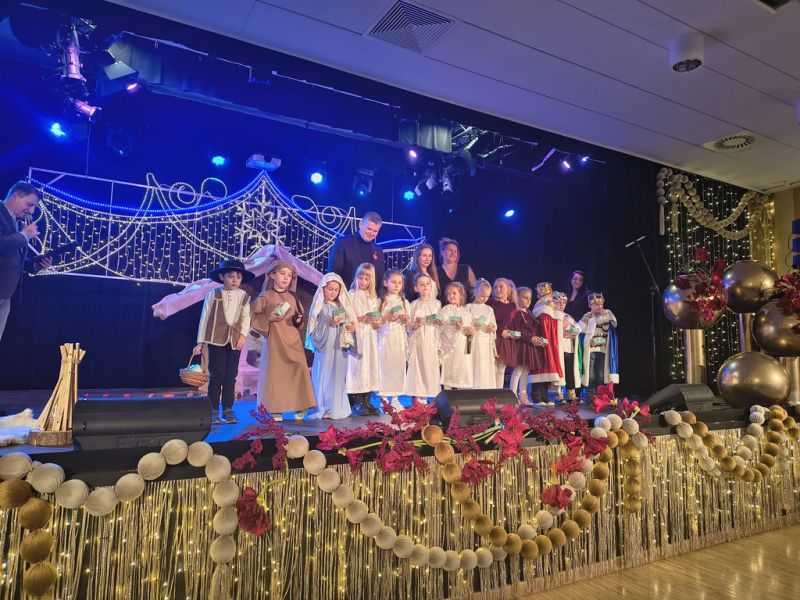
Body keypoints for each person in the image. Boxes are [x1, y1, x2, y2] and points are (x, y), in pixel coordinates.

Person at [250, 260, 316, 421]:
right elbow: (253, 318)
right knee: (276, 373)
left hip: (293, 340)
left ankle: (300, 404)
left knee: (299, 370)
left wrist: (298, 320)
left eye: (289, 275)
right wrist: (269, 318)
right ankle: (275, 408)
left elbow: (298, 320)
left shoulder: (293, 297)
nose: (286, 278)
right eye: (282, 274)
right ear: (272, 275)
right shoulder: (265, 297)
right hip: (275, 341)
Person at [193, 259, 253, 424]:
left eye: (238, 277)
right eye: (231, 276)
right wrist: (200, 342)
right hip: (216, 339)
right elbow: (205, 318)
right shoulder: (213, 294)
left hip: (234, 341)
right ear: (222, 277)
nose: (235, 280)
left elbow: (246, 318)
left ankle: (228, 408)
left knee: (231, 376)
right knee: (217, 375)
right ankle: (213, 409)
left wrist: (243, 336)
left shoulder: (244, 296)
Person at [1, 182, 50, 341]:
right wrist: (24, 235)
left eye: (34, 207)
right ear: (15, 197)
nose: (32, 211)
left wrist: (36, 265)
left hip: (6, 294)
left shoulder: (16, 221)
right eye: (30, 205)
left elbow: (14, 257)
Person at [306, 273, 358, 420]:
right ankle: (322, 406)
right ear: (323, 288)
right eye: (330, 289)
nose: (333, 292)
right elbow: (313, 324)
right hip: (326, 345)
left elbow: (350, 323)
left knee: (338, 375)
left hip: (340, 346)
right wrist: (327, 322)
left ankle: (335, 407)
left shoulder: (342, 307)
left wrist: (350, 326)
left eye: (336, 289)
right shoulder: (320, 306)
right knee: (324, 373)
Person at [346, 263, 380, 416]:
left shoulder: (373, 298)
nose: (363, 281)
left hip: (370, 337)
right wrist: (362, 319)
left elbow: (377, 320)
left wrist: (375, 321)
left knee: (369, 366)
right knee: (357, 367)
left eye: (367, 279)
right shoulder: (351, 295)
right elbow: (348, 317)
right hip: (357, 336)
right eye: (361, 278)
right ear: (356, 277)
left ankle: (367, 400)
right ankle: (357, 402)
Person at [404, 273, 442, 403]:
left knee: (430, 367)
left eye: (427, 283)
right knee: (418, 367)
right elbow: (408, 325)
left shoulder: (437, 304)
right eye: (421, 284)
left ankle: (429, 397)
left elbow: (440, 322)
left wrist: (438, 322)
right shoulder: (413, 305)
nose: (425, 286)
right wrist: (415, 325)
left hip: (431, 339)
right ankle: (418, 398)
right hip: (418, 340)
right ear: (416, 288)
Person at [377, 269, 410, 411]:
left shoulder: (404, 302)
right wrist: (388, 318)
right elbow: (376, 322)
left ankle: (395, 399)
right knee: (384, 367)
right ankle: (384, 399)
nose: (397, 285)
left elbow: (408, 323)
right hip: (385, 337)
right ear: (386, 283)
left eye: (400, 283)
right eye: (394, 282)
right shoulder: (381, 301)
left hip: (398, 338)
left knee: (397, 367)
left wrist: (405, 319)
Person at [328, 212, 385, 291]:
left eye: (375, 231)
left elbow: (380, 278)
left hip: (370, 297)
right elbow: (333, 273)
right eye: (369, 229)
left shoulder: (378, 250)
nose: (371, 233)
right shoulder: (343, 242)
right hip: (345, 294)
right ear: (360, 224)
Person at [510, 287, 545, 406]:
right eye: (525, 298)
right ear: (517, 298)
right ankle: (512, 395)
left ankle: (523, 394)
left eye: (530, 298)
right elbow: (517, 331)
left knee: (525, 370)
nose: (528, 300)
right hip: (521, 344)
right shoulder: (516, 312)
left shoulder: (529, 313)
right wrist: (530, 338)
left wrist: (539, 339)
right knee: (518, 370)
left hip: (529, 345)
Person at [579, 292, 619, 393]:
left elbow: (615, 323)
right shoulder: (587, 316)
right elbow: (579, 329)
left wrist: (607, 315)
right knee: (590, 373)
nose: (600, 307)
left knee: (601, 374)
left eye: (601, 304)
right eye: (597, 304)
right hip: (591, 349)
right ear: (590, 305)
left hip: (603, 349)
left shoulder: (607, 313)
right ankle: (590, 393)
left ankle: (599, 393)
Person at [531, 282, 563, 405]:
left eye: (549, 294)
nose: (549, 297)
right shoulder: (541, 305)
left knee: (548, 366)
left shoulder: (552, 305)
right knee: (540, 366)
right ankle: (536, 396)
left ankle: (544, 396)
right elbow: (542, 324)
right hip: (542, 340)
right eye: (546, 295)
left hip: (551, 341)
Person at [439, 282, 473, 390]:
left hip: (463, 345)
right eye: (449, 294)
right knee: (450, 368)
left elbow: (468, 328)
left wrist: (470, 333)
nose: (451, 296)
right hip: (451, 345)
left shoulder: (466, 312)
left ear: (461, 296)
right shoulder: (446, 309)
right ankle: (447, 392)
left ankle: (461, 394)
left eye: (454, 293)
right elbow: (443, 325)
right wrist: (455, 328)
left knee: (462, 369)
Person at [487, 277, 518, 389]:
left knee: (501, 370)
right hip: (494, 338)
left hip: (506, 341)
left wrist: (513, 333)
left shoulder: (512, 305)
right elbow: (489, 321)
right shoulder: (491, 303)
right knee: (492, 368)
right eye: (495, 287)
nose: (498, 289)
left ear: (508, 289)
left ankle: (498, 394)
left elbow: (513, 323)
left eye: (501, 287)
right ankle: (490, 392)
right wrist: (500, 331)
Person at [467, 279, 497, 389]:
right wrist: (473, 325)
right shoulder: (469, 307)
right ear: (475, 292)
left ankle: (486, 388)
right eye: (482, 296)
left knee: (485, 365)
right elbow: (466, 324)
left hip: (485, 342)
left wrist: (491, 328)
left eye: (487, 297)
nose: (484, 299)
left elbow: (493, 324)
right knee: (475, 364)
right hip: (474, 341)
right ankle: (473, 388)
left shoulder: (489, 309)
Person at [554, 291, 582, 401]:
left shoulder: (567, 316)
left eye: (564, 302)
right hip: (559, 349)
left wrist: (568, 332)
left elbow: (578, 329)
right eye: (558, 302)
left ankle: (571, 393)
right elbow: (554, 331)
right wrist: (565, 331)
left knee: (570, 372)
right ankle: (558, 393)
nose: (561, 304)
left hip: (569, 348)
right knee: (560, 371)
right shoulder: (553, 315)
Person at [436, 238, 477, 304]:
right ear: (442, 252)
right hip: (445, 309)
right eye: (450, 250)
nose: (453, 253)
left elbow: (476, 291)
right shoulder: (436, 272)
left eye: (455, 251)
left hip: (466, 308)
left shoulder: (466, 268)